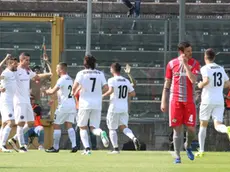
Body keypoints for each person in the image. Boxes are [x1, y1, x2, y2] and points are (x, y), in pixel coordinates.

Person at [161, 42, 200, 163]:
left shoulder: (194, 63)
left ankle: (187, 146)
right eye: (188, 51)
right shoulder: (171, 64)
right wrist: (163, 101)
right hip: (175, 101)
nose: (190, 53)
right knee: (177, 130)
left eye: (191, 51)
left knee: (192, 130)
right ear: (181, 52)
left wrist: (186, 65)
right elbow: (167, 84)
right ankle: (177, 156)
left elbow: (193, 80)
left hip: (189, 101)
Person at [8, 52, 52, 153]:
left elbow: (36, 76)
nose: (28, 62)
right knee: (21, 123)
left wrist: (49, 74)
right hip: (19, 101)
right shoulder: (15, 70)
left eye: (29, 60)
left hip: (27, 101)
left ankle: (14, 139)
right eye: (26, 60)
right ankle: (22, 145)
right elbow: (5, 77)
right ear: (21, 60)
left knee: (31, 123)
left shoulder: (28, 71)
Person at [195, 49, 230, 157]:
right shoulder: (220, 68)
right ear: (214, 57)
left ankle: (201, 150)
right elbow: (228, 83)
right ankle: (227, 129)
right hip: (219, 100)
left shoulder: (205, 68)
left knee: (203, 124)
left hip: (207, 100)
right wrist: (219, 87)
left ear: (205, 57)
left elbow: (206, 81)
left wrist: (200, 85)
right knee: (218, 124)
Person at [72, 55, 109, 155]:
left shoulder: (81, 73)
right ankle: (101, 133)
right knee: (93, 128)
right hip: (97, 104)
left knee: (82, 127)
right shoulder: (100, 73)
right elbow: (106, 88)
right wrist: (97, 93)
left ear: (85, 63)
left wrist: (73, 93)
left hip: (84, 104)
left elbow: (74, 87)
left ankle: (87, 149)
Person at [103, 62, 140, 154]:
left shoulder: (111, 80)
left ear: (112, 69)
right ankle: (133, 138)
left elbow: (111, 91)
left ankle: (115, 149)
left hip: (114, 107)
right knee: (123, 127)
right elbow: (133, 93)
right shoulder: (126, 81)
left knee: (112, 128)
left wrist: (102, 95)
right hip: (124, 108)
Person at [45, 62, 77, 153]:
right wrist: (53, 99)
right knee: (69, 125)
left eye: (57, 69)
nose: (56, 71)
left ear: (61, 69)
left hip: (64, 106)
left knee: (56, 125)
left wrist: (46, 91)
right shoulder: (70, 79)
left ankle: (55, 147)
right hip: (71, 105)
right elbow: (62, 93)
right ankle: (74, 146)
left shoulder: (61, 80)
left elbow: (52, 92)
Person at [0, 56, 18, 152]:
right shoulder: (6, 72)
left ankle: (0, 145)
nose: (17, 65)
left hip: (12, 101)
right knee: (11, 122)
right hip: (5, 101)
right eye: (15, 64)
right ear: (10, 64)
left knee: (4, 124)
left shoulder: (13, 73)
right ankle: (3, 145)